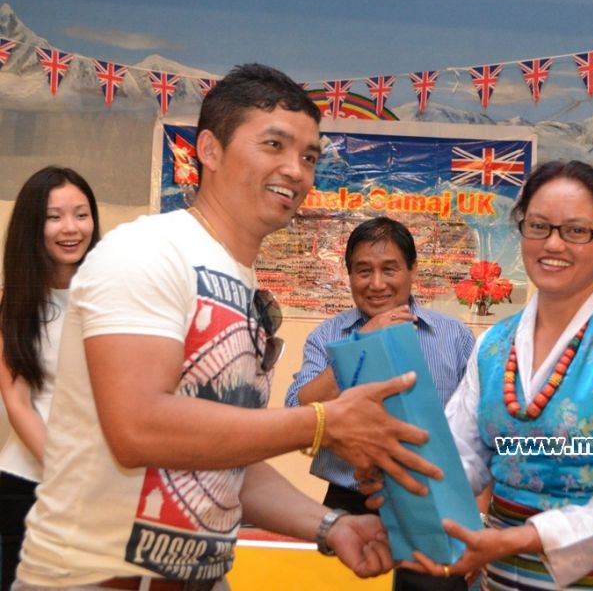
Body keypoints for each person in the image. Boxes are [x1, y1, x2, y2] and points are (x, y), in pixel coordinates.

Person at [13, 64, 441, 591]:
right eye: (274, 145)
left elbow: (227, 462)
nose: (295, 170)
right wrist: (323, 423)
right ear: (209, 150)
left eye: (309, 156)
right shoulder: (148, 250)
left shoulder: (241, 283)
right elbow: (138, 428)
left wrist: (331, 525)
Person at [371, 160, 593, 589]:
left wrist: (518, 538)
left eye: (575, 230)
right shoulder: (494, 344)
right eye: (538, 226)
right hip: (500, 575)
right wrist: (407, 483)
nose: (553, 244)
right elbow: (462, 455)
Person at [285, 216, 475, 591]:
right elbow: (298, 411)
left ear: (412, 271)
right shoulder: (327, 336)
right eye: (363, 271)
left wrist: (477, 515)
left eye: (389, 269)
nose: (376, 284)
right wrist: (362, 342)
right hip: (348, 501)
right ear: (349, 275)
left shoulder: (454, 336)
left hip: (433, 500)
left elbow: (478, 426)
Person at [0, 167, 100, 591]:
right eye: (53, 217)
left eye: (81, 214)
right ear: (31, 226)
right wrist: (65, 474)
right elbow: (17, 402)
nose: (71, 228)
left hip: (102, 488)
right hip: (28, 483)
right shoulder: (14, 303)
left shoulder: (110, 295)